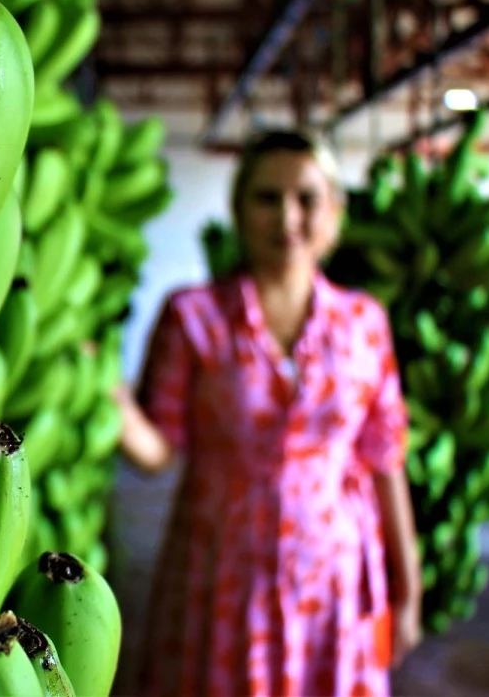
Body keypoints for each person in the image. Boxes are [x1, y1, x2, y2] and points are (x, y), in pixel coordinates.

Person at [114, 129, 424, 697]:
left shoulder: (364, 325)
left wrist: (408, 588)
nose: (288, 217)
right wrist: (109, 400)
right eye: (266, 197)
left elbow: (384, 460)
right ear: (238, 209)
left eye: (306, 198)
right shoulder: (194, 317)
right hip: (220, 575)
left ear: (335, 210)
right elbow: (160, 450)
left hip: (334, 579)